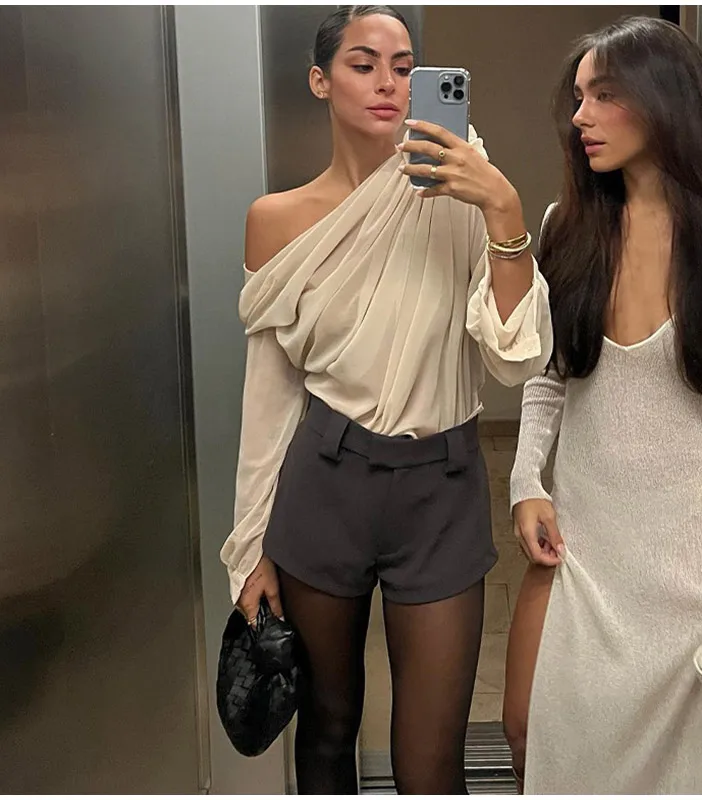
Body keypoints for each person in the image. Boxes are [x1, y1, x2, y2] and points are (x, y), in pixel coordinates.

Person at [220, 5, 553, 794]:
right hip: (325, 482)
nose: (387, 84)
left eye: (404, 68)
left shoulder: (466, 186)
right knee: (327, 730)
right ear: (320, 80)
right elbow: (270, 395)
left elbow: (515, 359)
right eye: (363, 64)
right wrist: (250, 544)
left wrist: (502, 211)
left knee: (430, 761)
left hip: (441, 487)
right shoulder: (277, 220)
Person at [503, 16, 702, 795]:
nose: (581, 117)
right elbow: (547, 372)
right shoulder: (566, 228)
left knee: (674, 774)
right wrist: (526, 481)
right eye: (578, 98)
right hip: (584, 542)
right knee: (539, 736)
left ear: (665, 100)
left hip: (693, 556)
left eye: (603, 95)